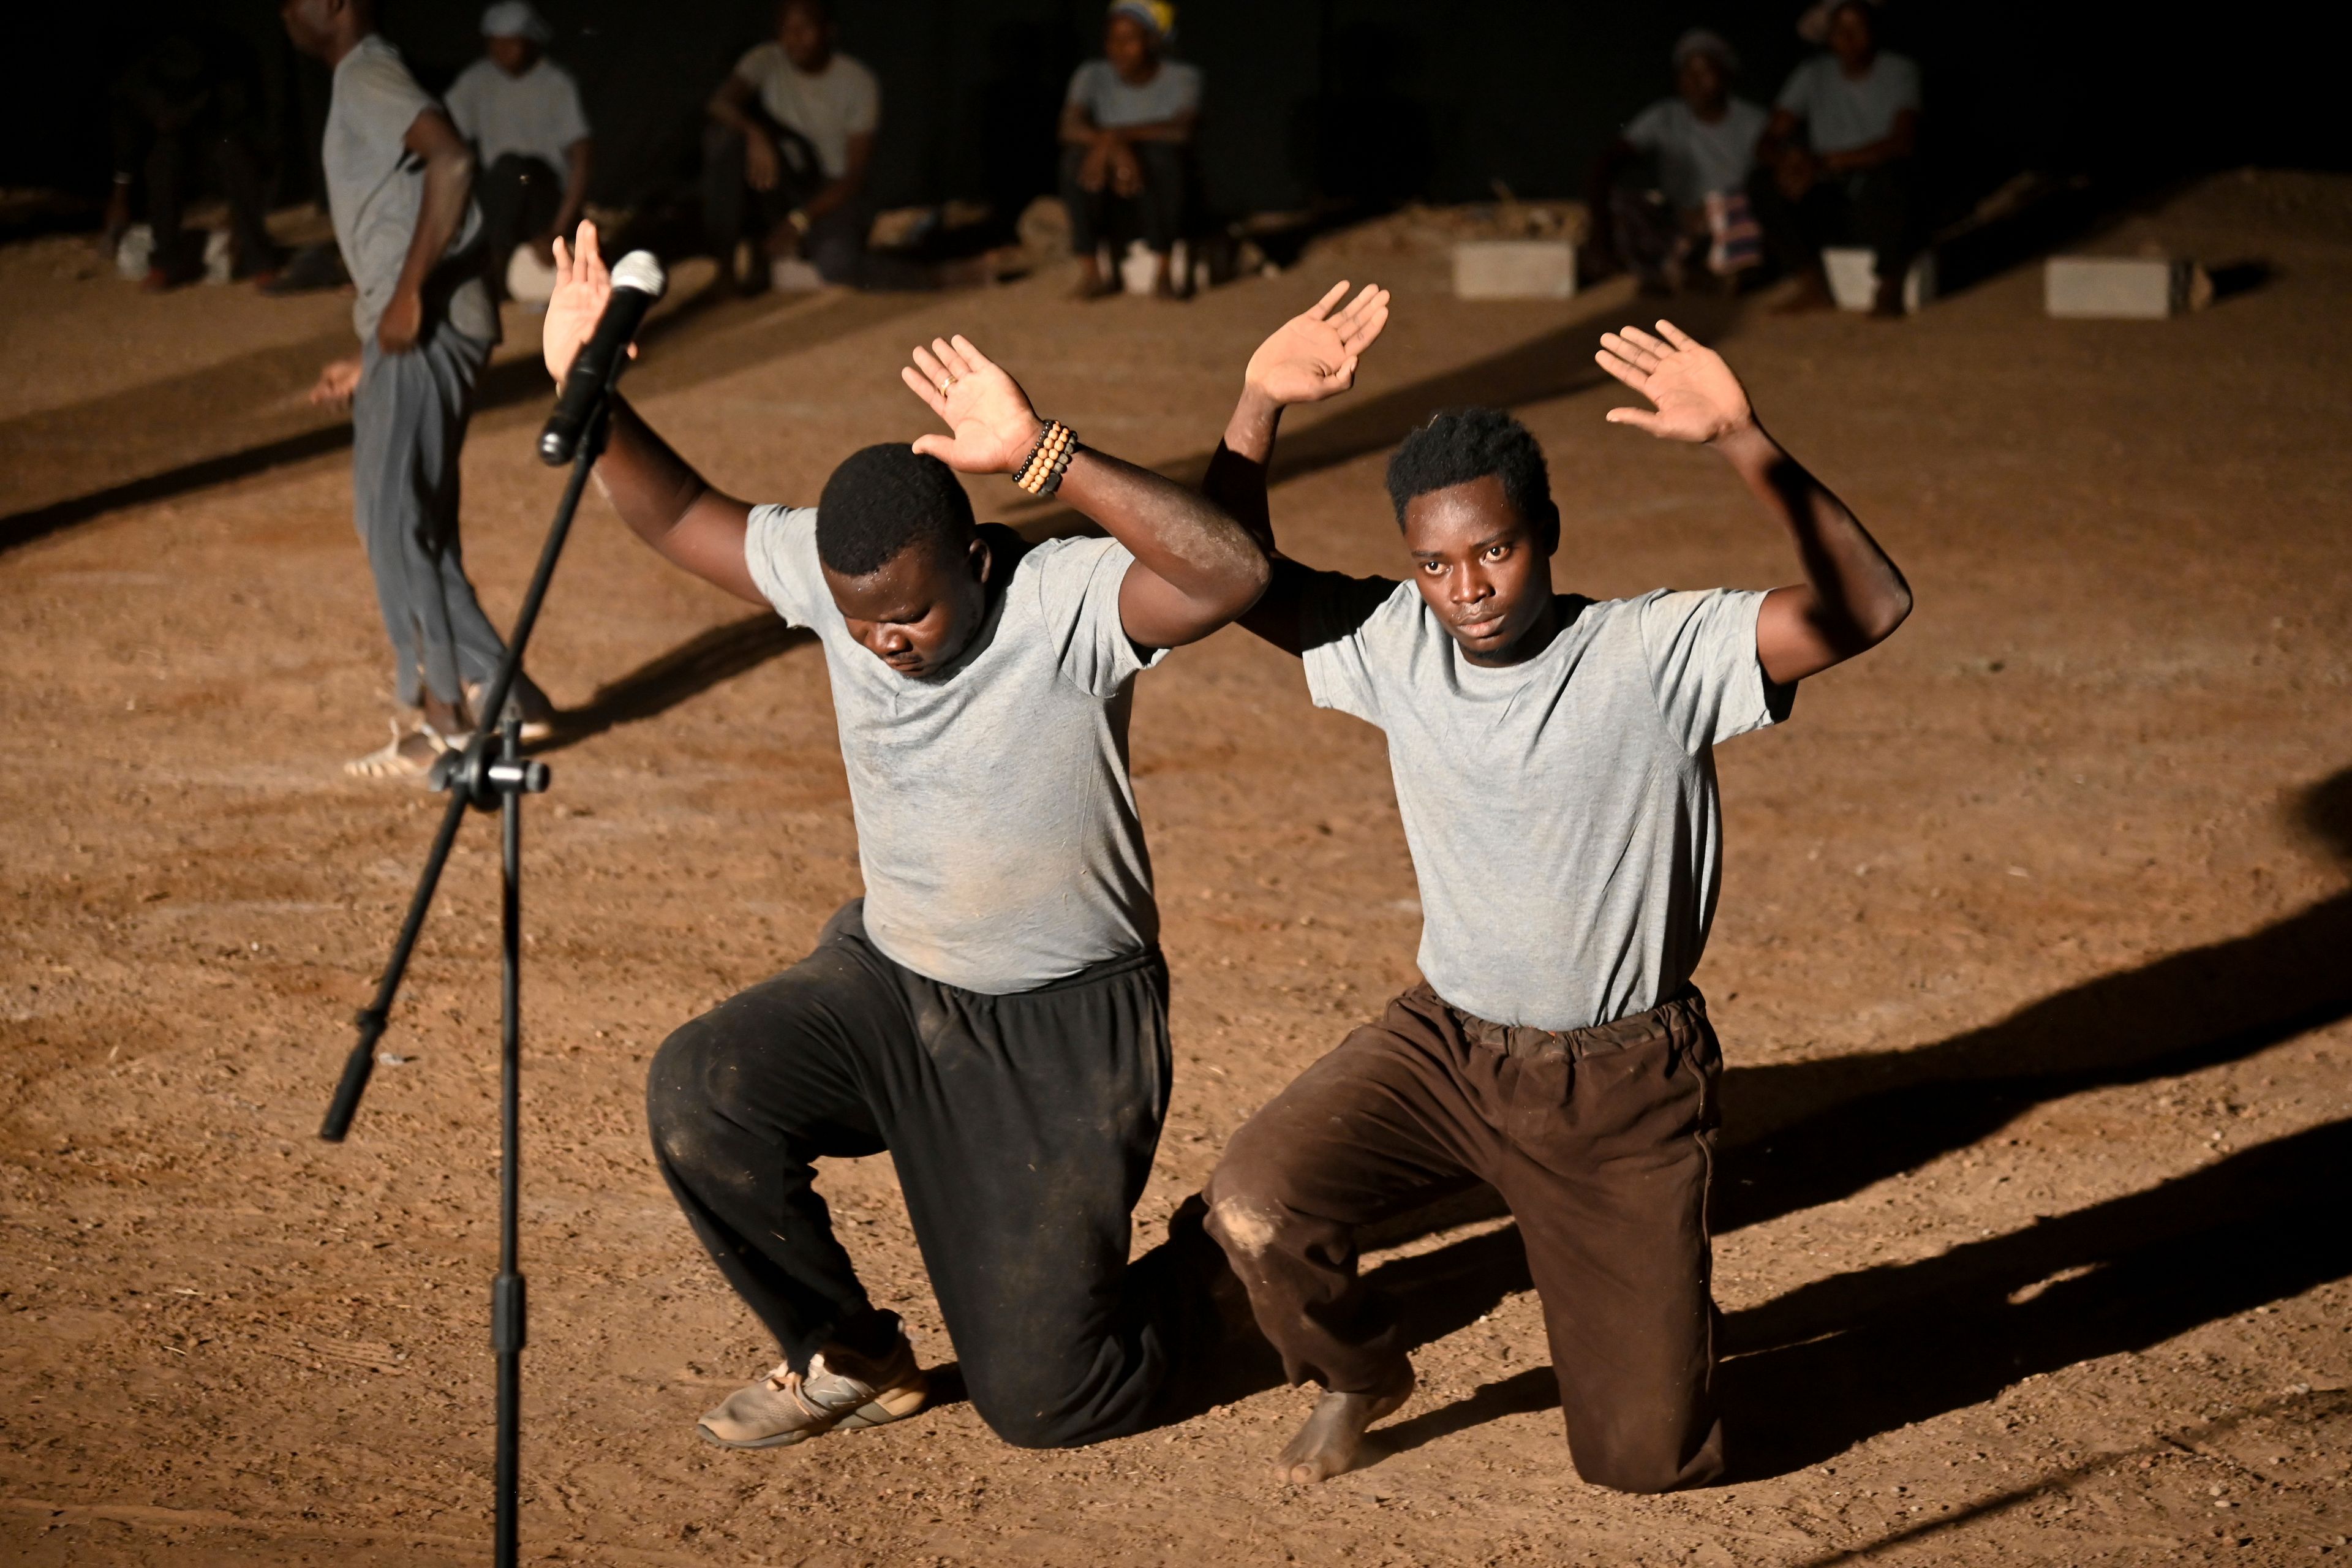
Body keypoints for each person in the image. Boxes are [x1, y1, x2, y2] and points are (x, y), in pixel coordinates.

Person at [540, 221, 1272, 1450]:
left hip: (1059, 1031)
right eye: (860, 616)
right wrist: (588, 387)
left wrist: (1047, 453)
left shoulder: (1062, 599)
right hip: (892, 979)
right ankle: (848, 1348)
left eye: (916, 610)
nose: (885, 637)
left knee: (1048, 1399)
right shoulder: (845, 587)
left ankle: (1231, 1268)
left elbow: (1232, 571)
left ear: (977, 556)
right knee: (702, 1088)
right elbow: (677, 516)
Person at [1196, 292, 1912, 1487]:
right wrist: (1257, 404)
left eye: (1494, 548)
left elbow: (1869, 606)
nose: (1466, 584)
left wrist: (1745, 437)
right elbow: (1218, 574)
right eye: (1435, 561)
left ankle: (1648, 1325)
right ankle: (1360, 1369)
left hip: (1619, 1085)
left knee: (1645, 1456)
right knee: (1257, 1199)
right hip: (1447, 1049)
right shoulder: (1390, 636)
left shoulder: (1656, 650)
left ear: (1548, 533)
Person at [282, 0, 554, 777]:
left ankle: (444, 716)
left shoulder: (368, 73)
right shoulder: (363, 77)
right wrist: (375, 348)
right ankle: (506, 698)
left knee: (394, 520)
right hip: (413, 334)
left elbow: (453, 162)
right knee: (406, 520)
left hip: (426, 326)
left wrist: (405, 298)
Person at [703, 0, 918, 293]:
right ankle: (728, 266)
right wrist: (754, 133)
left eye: (805, 29)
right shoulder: (766, 60)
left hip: (833, 190)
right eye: (787, 30)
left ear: (829, 32)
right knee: (724, 140)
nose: (795, 39)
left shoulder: (858, 81)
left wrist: (799, 222)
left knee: (837, 264)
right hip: (783, 183)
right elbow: (720, 103)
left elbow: (854, 175)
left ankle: (938, 277)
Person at [1751, 0, 1923, 315]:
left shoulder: (1899, 70)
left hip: (1876, 187)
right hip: (1826, 191)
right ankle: (1811, 284)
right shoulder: (1812, 73)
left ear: (1873, 31)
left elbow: (1902, 142)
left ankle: (1889, 285)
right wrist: (1787, 164)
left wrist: (1825, 162)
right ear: (1828, 36)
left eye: (1857, 28)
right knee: (1762, 184)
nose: (1849, 38)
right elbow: (1767, 139)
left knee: (1899, 178)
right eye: (1840, 30)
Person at [103, 20, 283, 289]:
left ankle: (259, 259)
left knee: (233, 154)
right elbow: (126, 145)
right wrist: (120, 199)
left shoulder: (226, 81)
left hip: (218, 131)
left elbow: (255, 143)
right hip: (171, 141)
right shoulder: (135, 83)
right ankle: (165, 262)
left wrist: (236, 220)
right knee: (162, 162)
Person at [1589, 30, 1767, 295]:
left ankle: (1724, 273)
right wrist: (1600, 238)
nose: (1695, 82)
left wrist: (1713, 210)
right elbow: (1609, 160)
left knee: (1749, 205)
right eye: (1687, 73)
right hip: (1680, 221)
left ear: (1726, 74)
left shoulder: (1754, 122)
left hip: (1733, 222)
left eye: (1705, 72)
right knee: (1622, 202)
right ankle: (1674, 272)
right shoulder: (1665, 116)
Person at [443, 0, 592, 304]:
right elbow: (445, 140)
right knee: (504, 173)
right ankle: (491, 266)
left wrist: (559, 228)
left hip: (545, 193)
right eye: (496, 44)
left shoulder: (555, 84)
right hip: (501, 196)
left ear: (530, 41)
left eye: (512, 43)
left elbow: (582, 159)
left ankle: (501, 266)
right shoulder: (476, 81)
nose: (504, 52)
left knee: (518, 170)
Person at [1058, 0, 1200, 300]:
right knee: (1074, 162)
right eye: (1112, 39)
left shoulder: (1183, 77)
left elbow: (1181, 130)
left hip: (1154, 170)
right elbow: (1068, 127)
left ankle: (1164, 271)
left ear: (1153, 40)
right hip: (1107, 171)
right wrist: (1110, 146)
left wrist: (1116, 138)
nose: (1118, 49)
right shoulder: (1092, 74)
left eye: (1129, 40)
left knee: (1162, 159)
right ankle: (1092, 272)